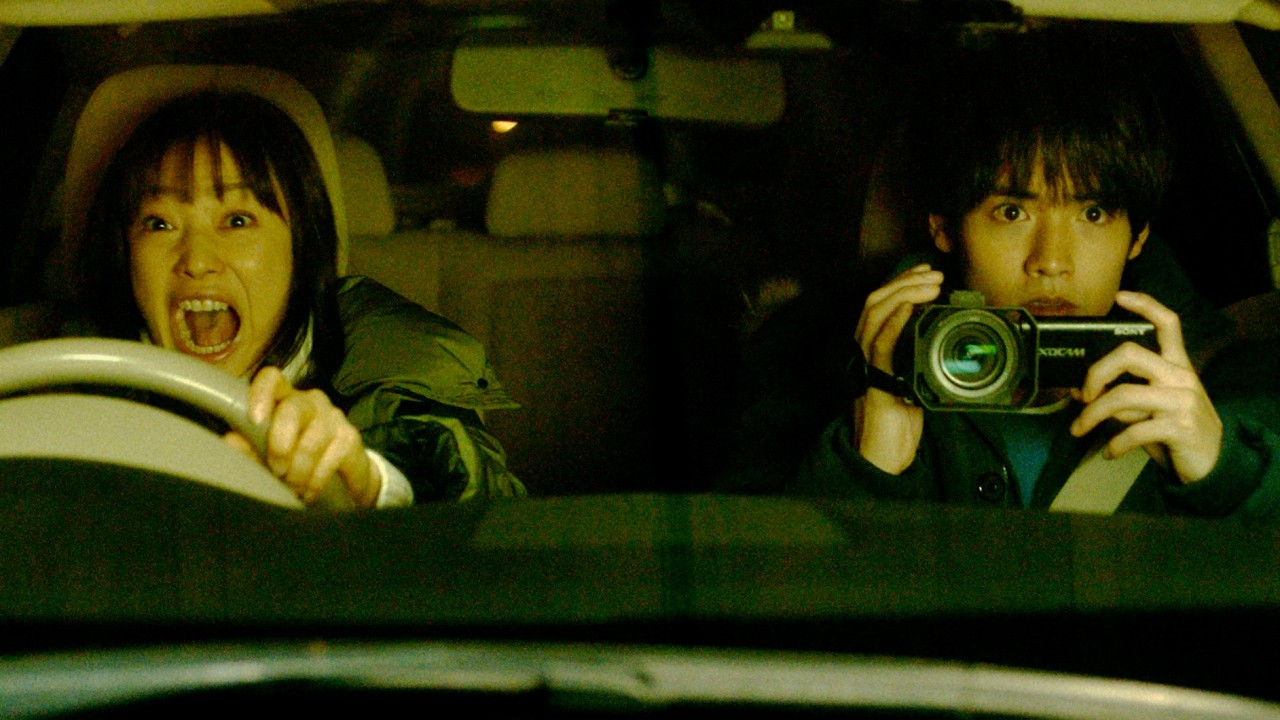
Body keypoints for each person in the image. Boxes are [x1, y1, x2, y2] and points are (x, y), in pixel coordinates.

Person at [789, 30, 1280, 517]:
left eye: (1092, 214)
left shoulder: (1229, 381)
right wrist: (869, 468)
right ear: (944, 226)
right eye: (1012, 213)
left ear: (1138, 236)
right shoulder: (838, 372)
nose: (1051, 260)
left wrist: (1223, 472)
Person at [76, 90, 526, 508]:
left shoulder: (401, 360)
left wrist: (367, 480)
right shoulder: (74, 372)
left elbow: (476, 496)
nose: (196, 260)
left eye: (236, 221)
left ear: (301, 245)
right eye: (159, 224)